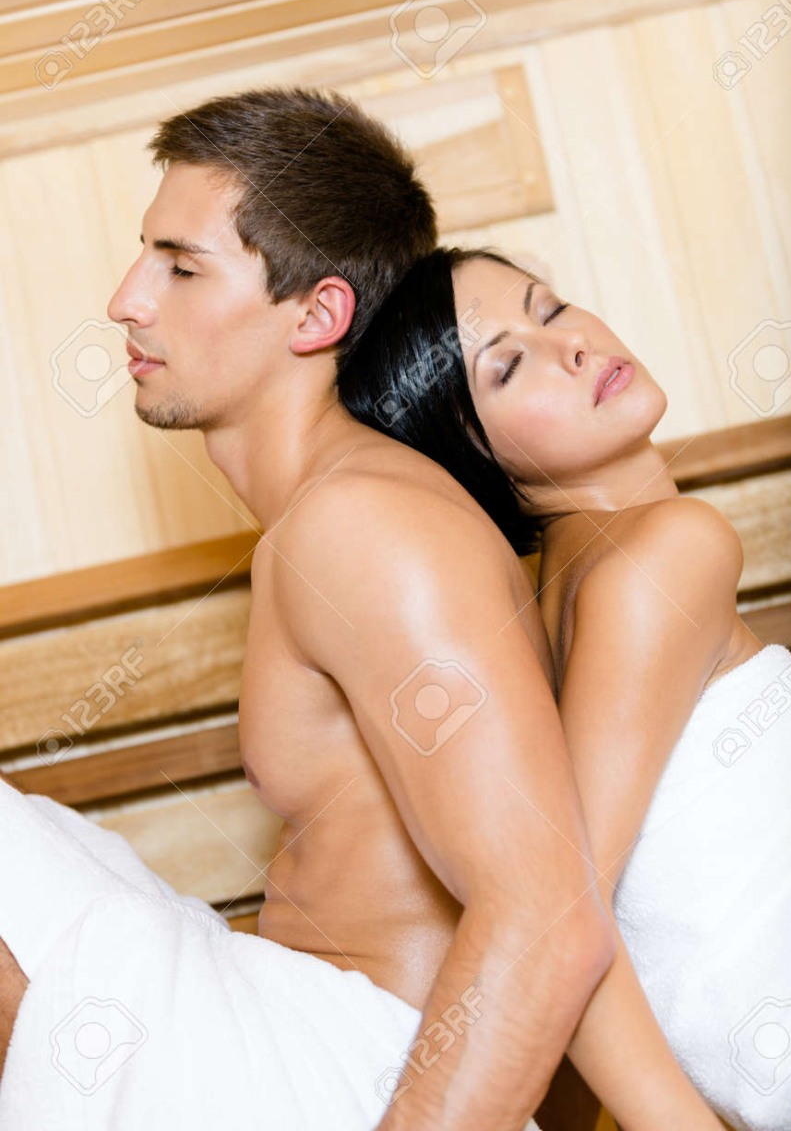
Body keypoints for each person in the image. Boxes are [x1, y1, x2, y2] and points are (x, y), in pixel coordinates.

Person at [0, 92, 615, 1131]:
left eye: (180, 267)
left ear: (317, 315)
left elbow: (549, 917)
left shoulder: (366, 524)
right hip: (281, 1016)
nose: (125, 300)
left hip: (354, 1072)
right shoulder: (326, 517)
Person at [337, 245, 791, 1131]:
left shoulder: (565, 601)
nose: (573, 346)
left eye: (549, 310)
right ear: (470, 450)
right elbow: (561, 925)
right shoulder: (669, 551)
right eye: (507, 367)